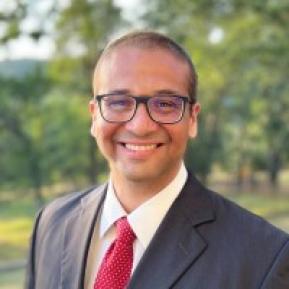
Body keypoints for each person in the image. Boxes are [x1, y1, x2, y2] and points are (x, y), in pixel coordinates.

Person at [25, 31, 289, 289]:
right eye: (118, 102)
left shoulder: (265, 257)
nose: (140, 126)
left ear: (193, 119)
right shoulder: (50, 224)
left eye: (165, 104)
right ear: (95, 116)